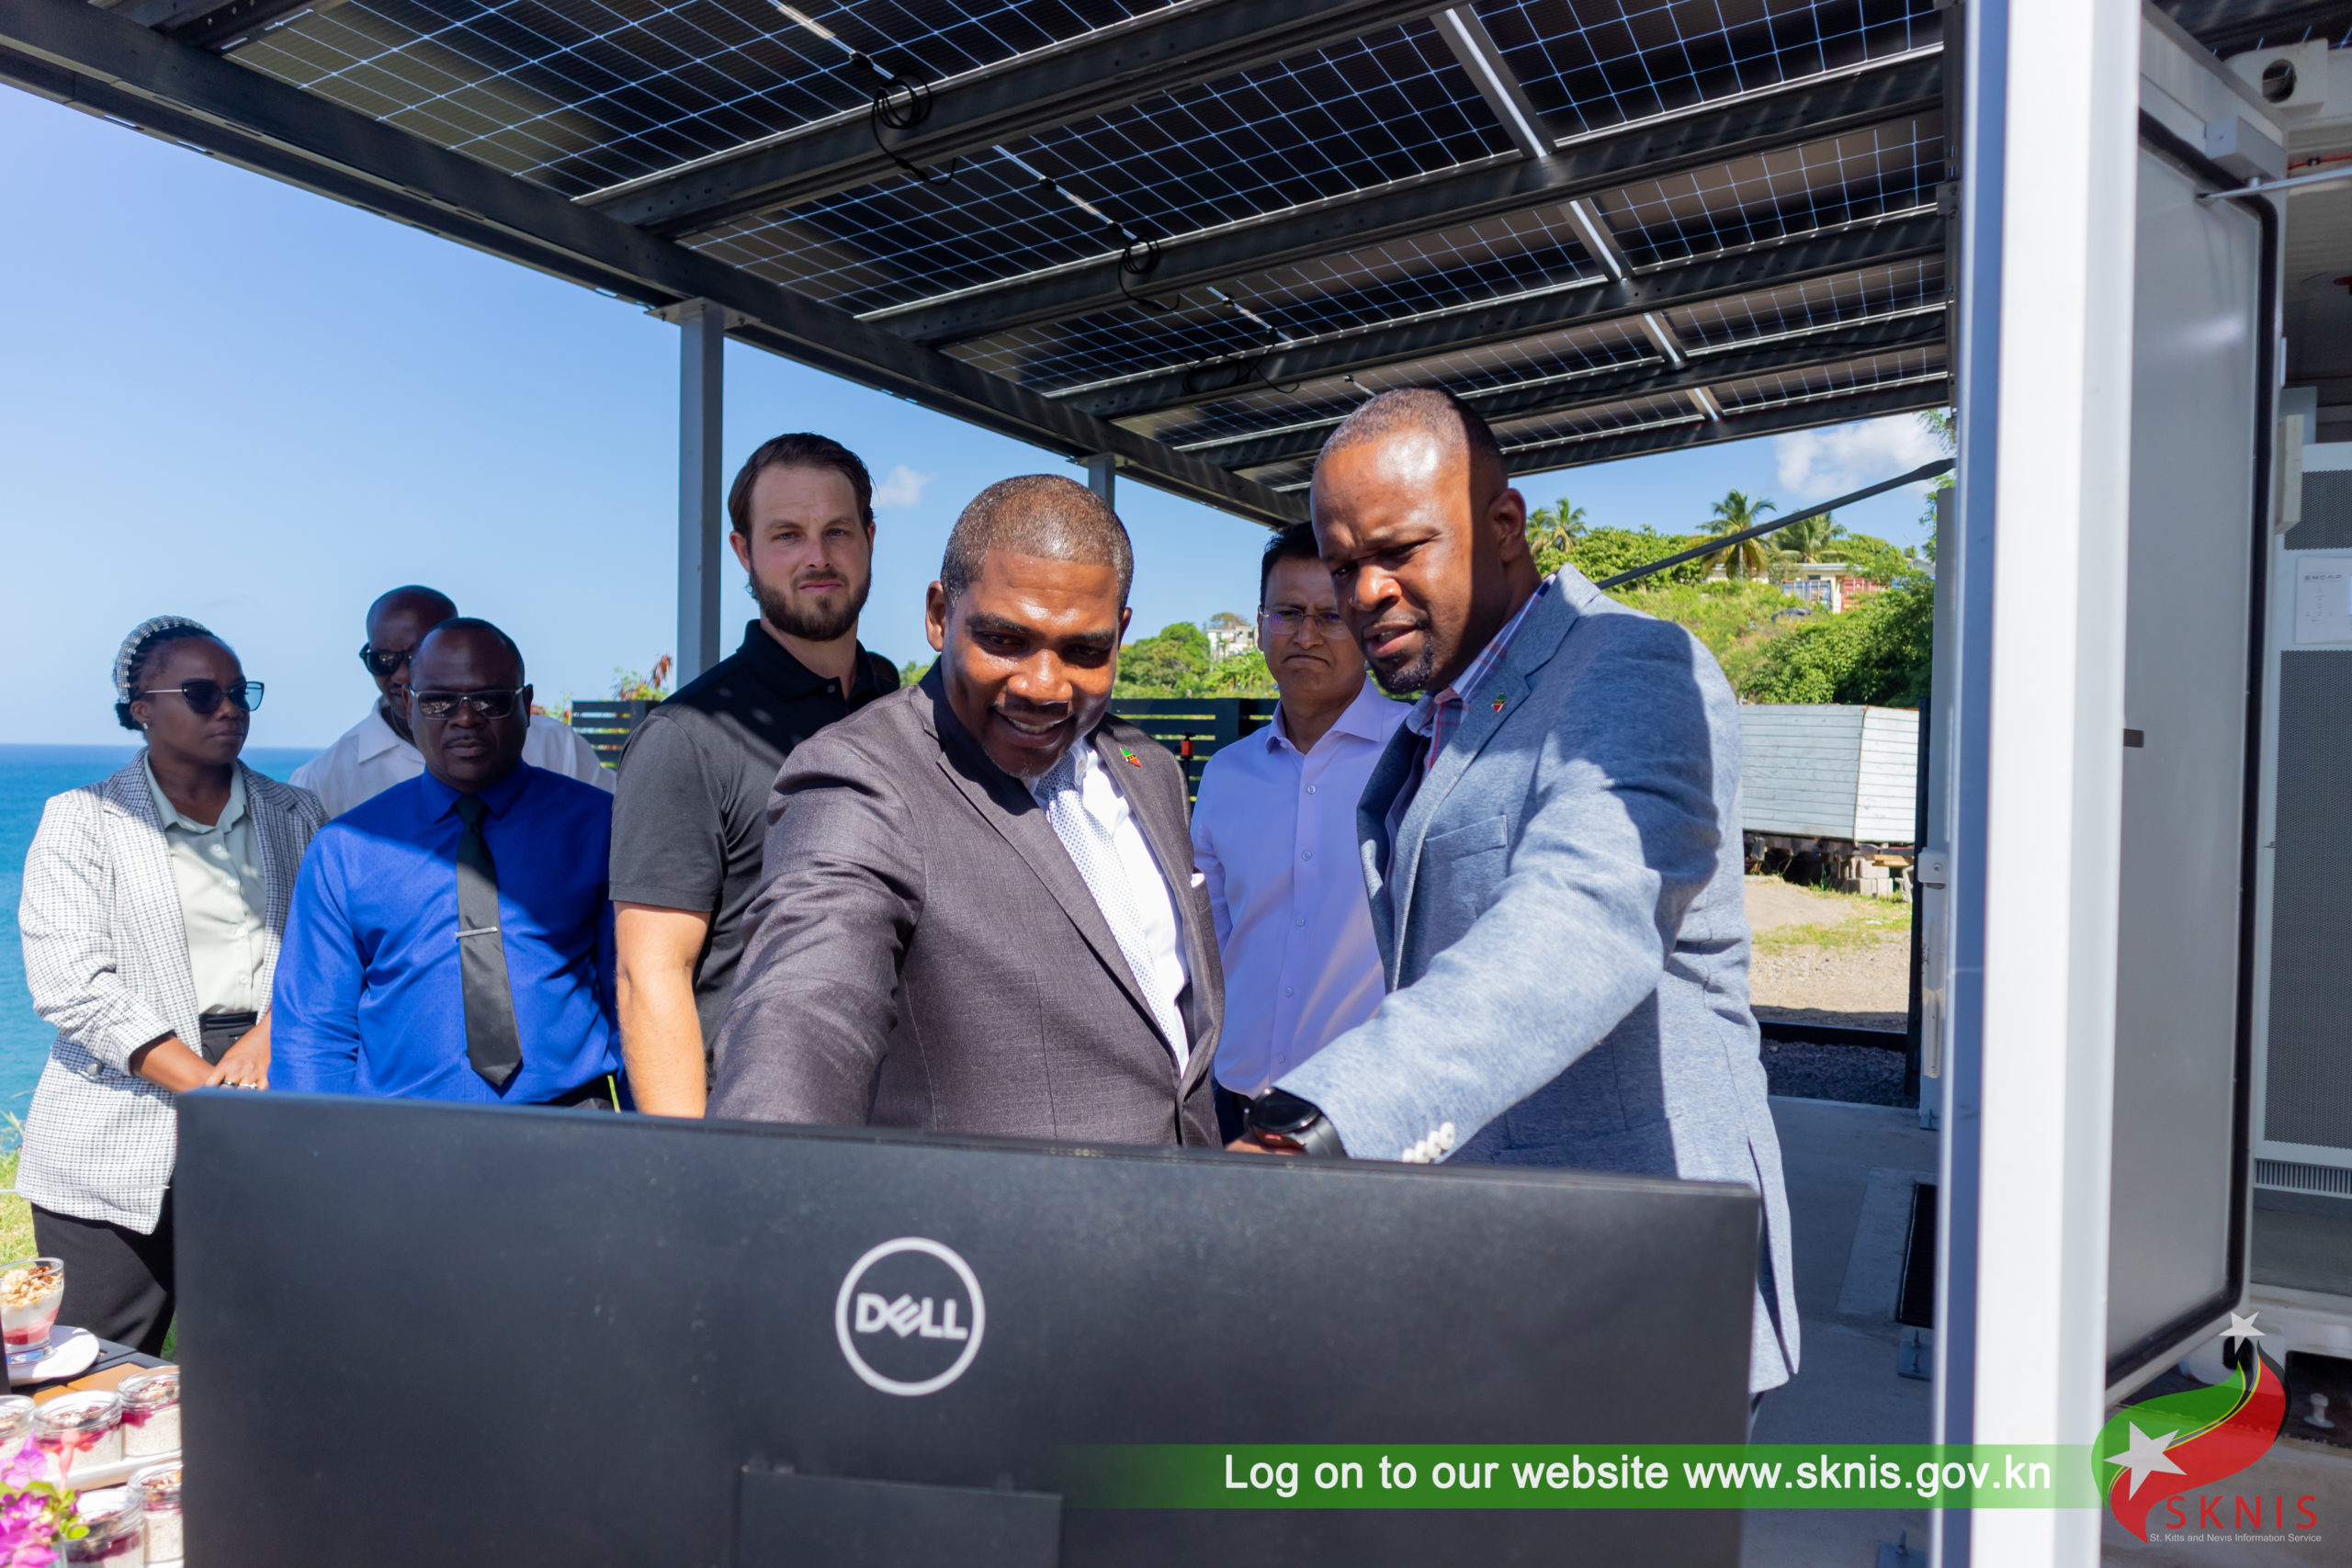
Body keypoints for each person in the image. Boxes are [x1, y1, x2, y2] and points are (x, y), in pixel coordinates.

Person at [1229, 389, 1800, 1398]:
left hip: (1640, 1287)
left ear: (1503, 525)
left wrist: (1324, 1120)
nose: (1364, 593)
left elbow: (1581, 921)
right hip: (1503, 1274)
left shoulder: (1632, 668)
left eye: (1399, 551)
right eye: (1345, 564)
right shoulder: (1442, 713)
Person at [708, 474, 1222, 1144]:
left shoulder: (1149, 769)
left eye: (1084, 650)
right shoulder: (861, 781)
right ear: (938, 615)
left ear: (1120, 634)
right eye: (1005, 640)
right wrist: (763, 1177)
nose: (1044, 686)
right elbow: (804, 1010)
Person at [16, 617, 326, 1352]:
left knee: (275, 1351)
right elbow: (71, 983)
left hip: (272, 1083)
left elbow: (330, 953)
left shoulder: (298, 814)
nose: (230, 708)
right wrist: (208, 1090)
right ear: (141, 708)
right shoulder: (81, 819)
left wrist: (272, 1033)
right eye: (202, 693)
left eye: (240, 692)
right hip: (122, 1103)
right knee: (92, 1358)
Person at [611, 434, 899, 1116]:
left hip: (899, 1124)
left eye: (837, 531)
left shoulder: (896, 702)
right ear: (743, 552)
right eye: (787, 535)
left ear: (869, 539)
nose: (817, 556)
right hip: (759, 1127)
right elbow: (651, 975)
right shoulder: (686, 739)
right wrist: (696, 1164)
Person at [273, 619, 624, 1107]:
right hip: (400, 1135)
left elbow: (636, 994)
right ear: (410, 706)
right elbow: (314, 1031)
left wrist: (655, 1136)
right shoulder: (344, 849)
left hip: (572, 1126)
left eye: (490, 700)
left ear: (526, 706)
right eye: (439, 702)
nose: (465, 718)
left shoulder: (601, 827)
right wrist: (315, 1145)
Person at [1190, 524, 1405, 1122]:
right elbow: (1210, 943)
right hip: (1235, 1102)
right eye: (1287, 613)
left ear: (1365, 626)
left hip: (1365, 1113)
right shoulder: (1226, 774)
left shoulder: (1419, 753)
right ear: (1261, 625)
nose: (1306, 635)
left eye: (1331, 616)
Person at [291, 585, 611, 818]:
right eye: (382, 659)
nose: (400, 674)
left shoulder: (557, 747)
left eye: (418, 655)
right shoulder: (323, 779)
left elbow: (621, 834)